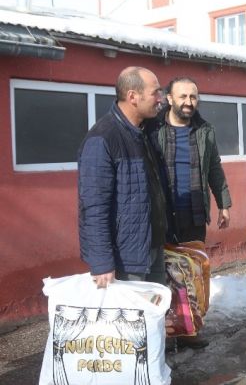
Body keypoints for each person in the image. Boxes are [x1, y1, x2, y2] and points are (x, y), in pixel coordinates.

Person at [155, 77, 232, 349]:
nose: (189, 102)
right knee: (162, 275)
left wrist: (223, 203)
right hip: (161, 216)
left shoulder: (204, 130)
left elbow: (214, 167)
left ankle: (188, 331)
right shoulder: (153, 128)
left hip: (194, 213)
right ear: (169, 98)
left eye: (193, 97)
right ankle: (162, 332)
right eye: (183, 96)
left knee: (191, 274)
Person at [78, 66, 171, 289]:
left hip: (153, 247)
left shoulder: (144, 131)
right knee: (133, 321)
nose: (160, 99)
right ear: (132, 97)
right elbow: (93, 206)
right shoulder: (103, 139)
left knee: (155, 317)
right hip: (128, 260)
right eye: (155, 92)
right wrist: (101, 262)